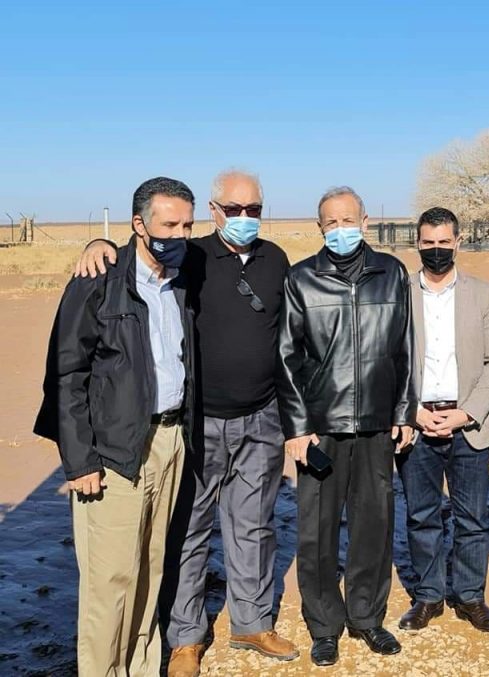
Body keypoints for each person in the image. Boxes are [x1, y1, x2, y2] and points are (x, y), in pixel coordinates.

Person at [74, 170, 298, 675]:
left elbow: (289, 337)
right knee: (188, 532)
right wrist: (97, 244)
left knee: (254, 527)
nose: (244, 218)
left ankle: (252, 622)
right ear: (214, 212)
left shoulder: (275, 259)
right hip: (197, 423)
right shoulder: (188, 256)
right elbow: (139, 259)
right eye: (234, 209)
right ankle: (185, 638)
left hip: (262, 418)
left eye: (254, 210)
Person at [34, 177, 197, 675]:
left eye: (187, 225)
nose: (180, 235)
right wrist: (79, 461)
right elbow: (67, 374)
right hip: (114, 451)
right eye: (169, 225)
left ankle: (141, 667)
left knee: (150, 567)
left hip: (170, 441)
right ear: (139, 225)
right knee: (111, 581)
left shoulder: (182, 278)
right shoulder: (97, 281)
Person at [276, 186, 415, 667]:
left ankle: (367, 617)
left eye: (347, 220)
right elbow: (287, 357)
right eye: (331, 223)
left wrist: (404, 412)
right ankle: (324, 625)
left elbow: (405, 348)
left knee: (374, 526)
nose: (340, 230)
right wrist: (297, 427)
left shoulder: (391, 273)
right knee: (316, 532)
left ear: (365, 221)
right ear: (320, 228)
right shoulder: (302, 279)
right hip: (322, 427)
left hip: (377, 423)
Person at [396, 207, 489, 633]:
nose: (437, 250)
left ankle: (471, 596)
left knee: (472, 518)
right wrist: (412, 411)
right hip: (417, 422)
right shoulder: (399, 293)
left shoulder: (482, 293)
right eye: (429, 242)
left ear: (458, 242)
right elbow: (388, 359)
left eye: (445, 242)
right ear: (417, 243)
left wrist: (465, 413)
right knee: (422, 516)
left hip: (469, 424)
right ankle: (428, 596)